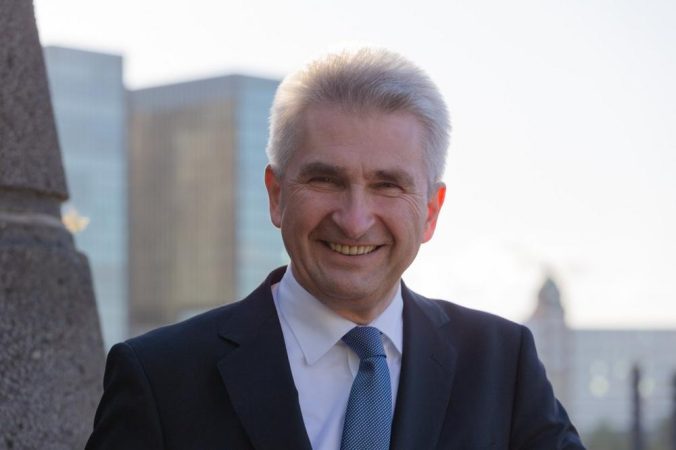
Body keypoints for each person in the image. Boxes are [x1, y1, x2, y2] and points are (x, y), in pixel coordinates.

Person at [86, 47, 585, 450]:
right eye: (325, 180)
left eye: (387, 185)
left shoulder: (503, 364)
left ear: (431, 212)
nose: (354, 219)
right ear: (277, 196)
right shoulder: (160, 378)